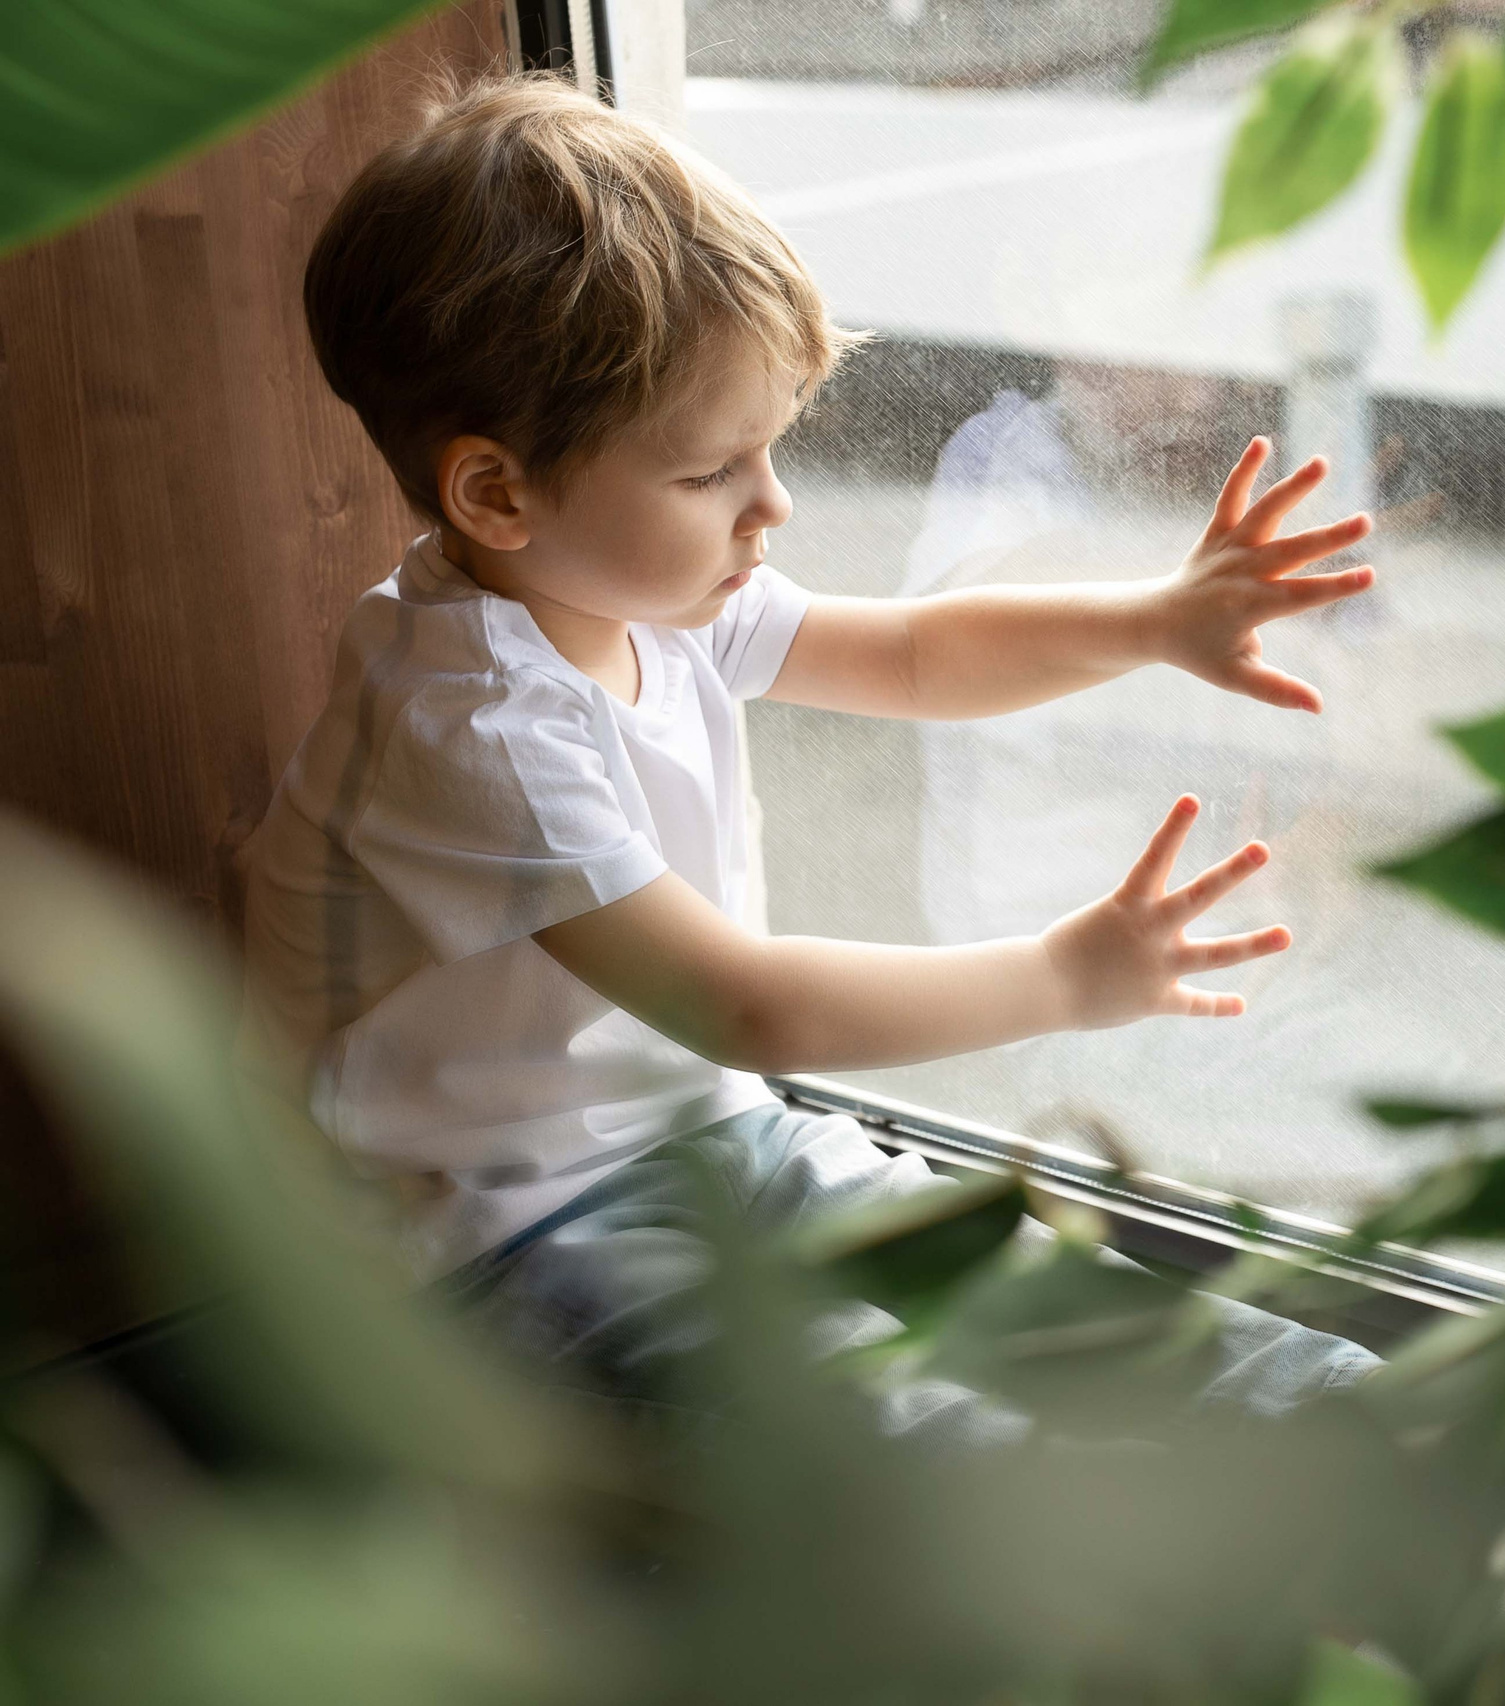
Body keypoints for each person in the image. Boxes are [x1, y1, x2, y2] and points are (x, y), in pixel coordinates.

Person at [240, 74, 1382, 1436]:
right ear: (497, 492)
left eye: (771, 450)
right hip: (504, 1238)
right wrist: (1064, 978)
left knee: (1067, 1304)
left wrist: (1151, 620)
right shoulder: (472, 717)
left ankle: (1405, 1427)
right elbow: (750, 1008)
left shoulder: (639, 595)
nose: (771, 505)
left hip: (719, 1134)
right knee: (888, 1433)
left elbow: (914, 656)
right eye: (711, 473)